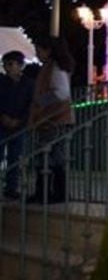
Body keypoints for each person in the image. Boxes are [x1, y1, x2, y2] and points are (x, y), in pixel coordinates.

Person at [26, 37, 76, 204]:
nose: (37, 54)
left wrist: (40, 101)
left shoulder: (54, 67)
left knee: (49, 158)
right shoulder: (53, 67)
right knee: (52, 158)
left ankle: (49, 193)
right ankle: (51, 193)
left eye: (39, 50)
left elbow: (62, 92)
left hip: (54, 120)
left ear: (48, 50)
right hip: (54, 119)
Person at [0, 51, 34, 199]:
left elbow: (31, 105)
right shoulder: (1, 82)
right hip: (2, 123)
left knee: (15, 157)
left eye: (10, 64)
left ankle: (11, 187)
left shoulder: (28, 84)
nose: (7, 68)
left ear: (20, 65)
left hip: (19, 125)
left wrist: (20, 120)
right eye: (5, 64)